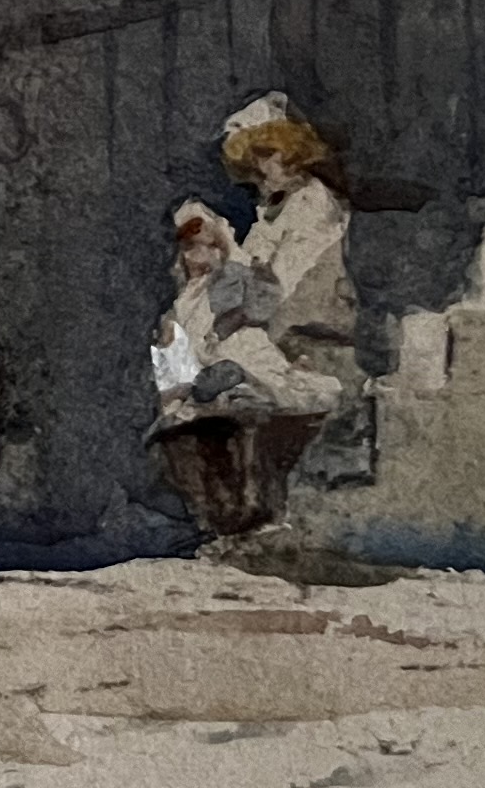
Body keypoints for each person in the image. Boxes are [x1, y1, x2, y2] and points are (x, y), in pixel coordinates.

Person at [146, 192, 346, 541]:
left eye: (209, 246)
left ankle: (259, 507)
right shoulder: (181, 300)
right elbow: (175, 350)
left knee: (256, 401)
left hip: (244, 361)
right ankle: (226, 513)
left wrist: (228, 250)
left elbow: (261, 300)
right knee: (199, 420)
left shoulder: (232, 276)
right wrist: (182, 388)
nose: (200, 255)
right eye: (191, 248)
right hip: (203, 379)